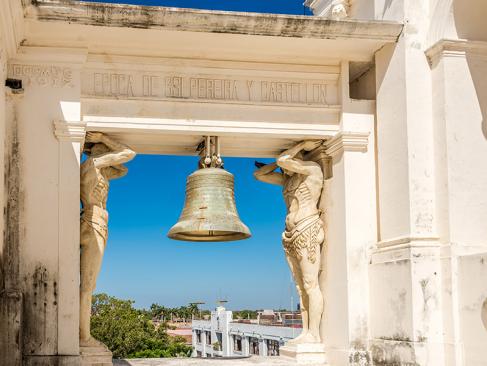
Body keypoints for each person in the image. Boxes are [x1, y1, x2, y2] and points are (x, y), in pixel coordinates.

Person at [254, 140, 325, 344]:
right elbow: (259, 175)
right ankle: (306, 332)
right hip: (290, 233)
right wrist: (278, 165)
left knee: (311, 284)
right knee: (300, 287)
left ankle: (315, 334)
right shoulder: (287, 180)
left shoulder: (312, 170)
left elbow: (283, 159)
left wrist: (301, 145)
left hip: (306, 228)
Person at [79, 132, 136, 347]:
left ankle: (83, 333)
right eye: (109, 154)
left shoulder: (93, 169)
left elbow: (122, 169)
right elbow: (128, 153)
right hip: (95, 221)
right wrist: (103, 137)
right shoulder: (93, 163)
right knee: (88, 285)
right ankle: (84, 337)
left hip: (95, 221)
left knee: (88, 283)